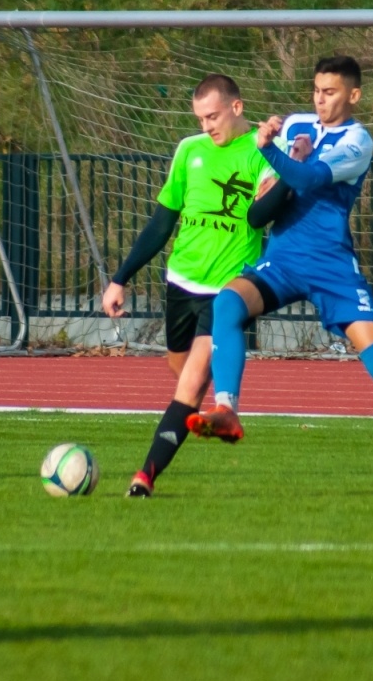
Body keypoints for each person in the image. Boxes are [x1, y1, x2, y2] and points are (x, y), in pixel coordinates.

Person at [187, 56, 373, 500]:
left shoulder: (358, 140)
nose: (320, 99)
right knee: (228, 304)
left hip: (331, 266)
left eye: (330, 92)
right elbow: (271, 191)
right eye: (316, 90)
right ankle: (227, 409)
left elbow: (308, 179)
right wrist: (273, 153)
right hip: (284, 258)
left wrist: (268, 147)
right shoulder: (296, 125)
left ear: (354, 95)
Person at [101, 73, 292, 498]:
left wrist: (278, 188)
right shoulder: (189, 150)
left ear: (236, 108)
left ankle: (144, 476)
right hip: (180, 284)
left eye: (212, 116)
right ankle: (212, 410)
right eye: (200, 118)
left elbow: (268, 217)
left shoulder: (264, 152)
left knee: (189, 385)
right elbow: (162, 222)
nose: (206, 126)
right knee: (183, 379)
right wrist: (120, 279)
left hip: (227, 290)